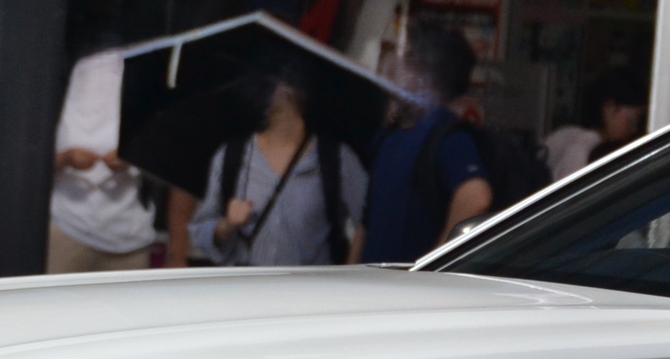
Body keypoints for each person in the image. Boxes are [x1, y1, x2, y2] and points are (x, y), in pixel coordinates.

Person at [186, 70, 366, 267]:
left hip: (312, 291)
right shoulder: (232, 155)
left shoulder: (335, 158)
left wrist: (349, 270)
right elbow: (201, 230)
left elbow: (367, 219)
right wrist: (227, 224)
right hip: (247, 289)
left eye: (273, 80)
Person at [361, 19, 492, 262]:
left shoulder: (446, 136)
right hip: (371, 288)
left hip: (407, 292)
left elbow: (476, 197)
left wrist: (432, 264)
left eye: (408, 61)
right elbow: (367, 223)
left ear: (428, 75)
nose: (395, 67)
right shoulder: (389, 136)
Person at [45, 46, 157, 273]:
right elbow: (26, 167)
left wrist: (133, 158)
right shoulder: (56, 84)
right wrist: (66, 158)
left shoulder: (144, 81)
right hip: (68, 228)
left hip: (130, 236)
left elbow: (169, 157)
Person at [544, 65, 649, 181]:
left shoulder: (565, 133)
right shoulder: (583, 152)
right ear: (610, 107)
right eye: (632, 120)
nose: (633, 129)